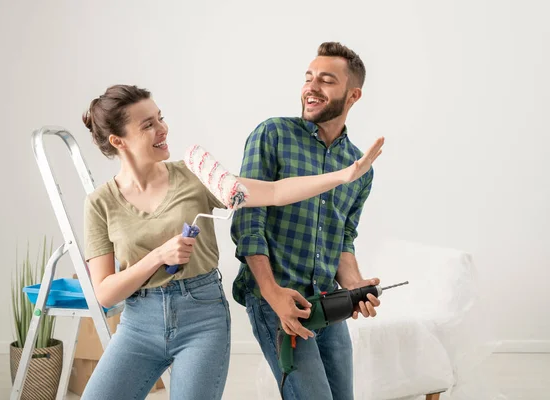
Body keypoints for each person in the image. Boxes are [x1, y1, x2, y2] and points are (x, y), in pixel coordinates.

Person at [79, 84, 384, 400]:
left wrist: (343, 176)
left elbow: (275, 192)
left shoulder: (195, 175)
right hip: (139, 324)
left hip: (201, 319)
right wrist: (158, 256)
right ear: (119, 141)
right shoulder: (100, 203)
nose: (162, 128)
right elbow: (105, 292)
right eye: (148, 125)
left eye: (160, 118)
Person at [230, 42, 381, 399]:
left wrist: (357, 286)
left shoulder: (359, 167)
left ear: (353, 94)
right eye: (308, 78)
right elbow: (248, 222)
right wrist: (271, 293)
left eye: (326, 80)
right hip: (277, 297)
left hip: (328, 303)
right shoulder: (273, 135)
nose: (311, 87)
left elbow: (343, 239)